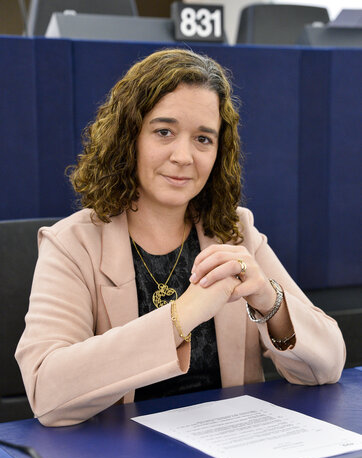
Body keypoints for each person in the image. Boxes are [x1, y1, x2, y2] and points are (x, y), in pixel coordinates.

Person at [15, 49, 345, 427]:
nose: (184, 156)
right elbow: (47, 395)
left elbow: (329, 365)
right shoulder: (71, 244)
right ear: (129, 136)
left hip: (232, 457)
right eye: (164, 132)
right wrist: (180, 316)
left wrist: (270, 300)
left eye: (203, 139)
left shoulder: (236, 231)